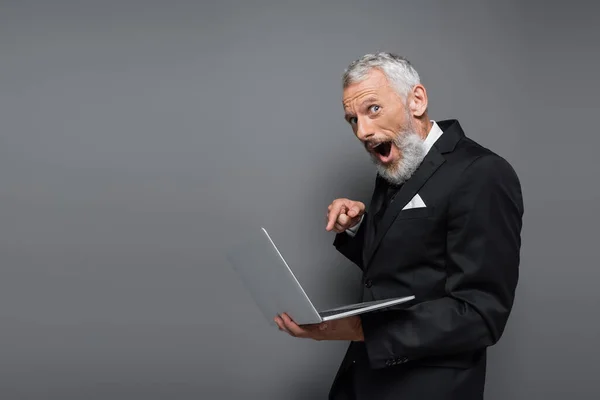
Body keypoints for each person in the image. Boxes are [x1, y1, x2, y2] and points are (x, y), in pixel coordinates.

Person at [274, 52, 524, 400]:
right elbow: (403, 268)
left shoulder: (482, 173)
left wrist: (360, 330)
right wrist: (357, 228)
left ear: (416, 100)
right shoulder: (397, 162)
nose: (362, 131)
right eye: (352, 119)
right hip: (363, 381)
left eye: (372, 109)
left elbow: (481, 314)